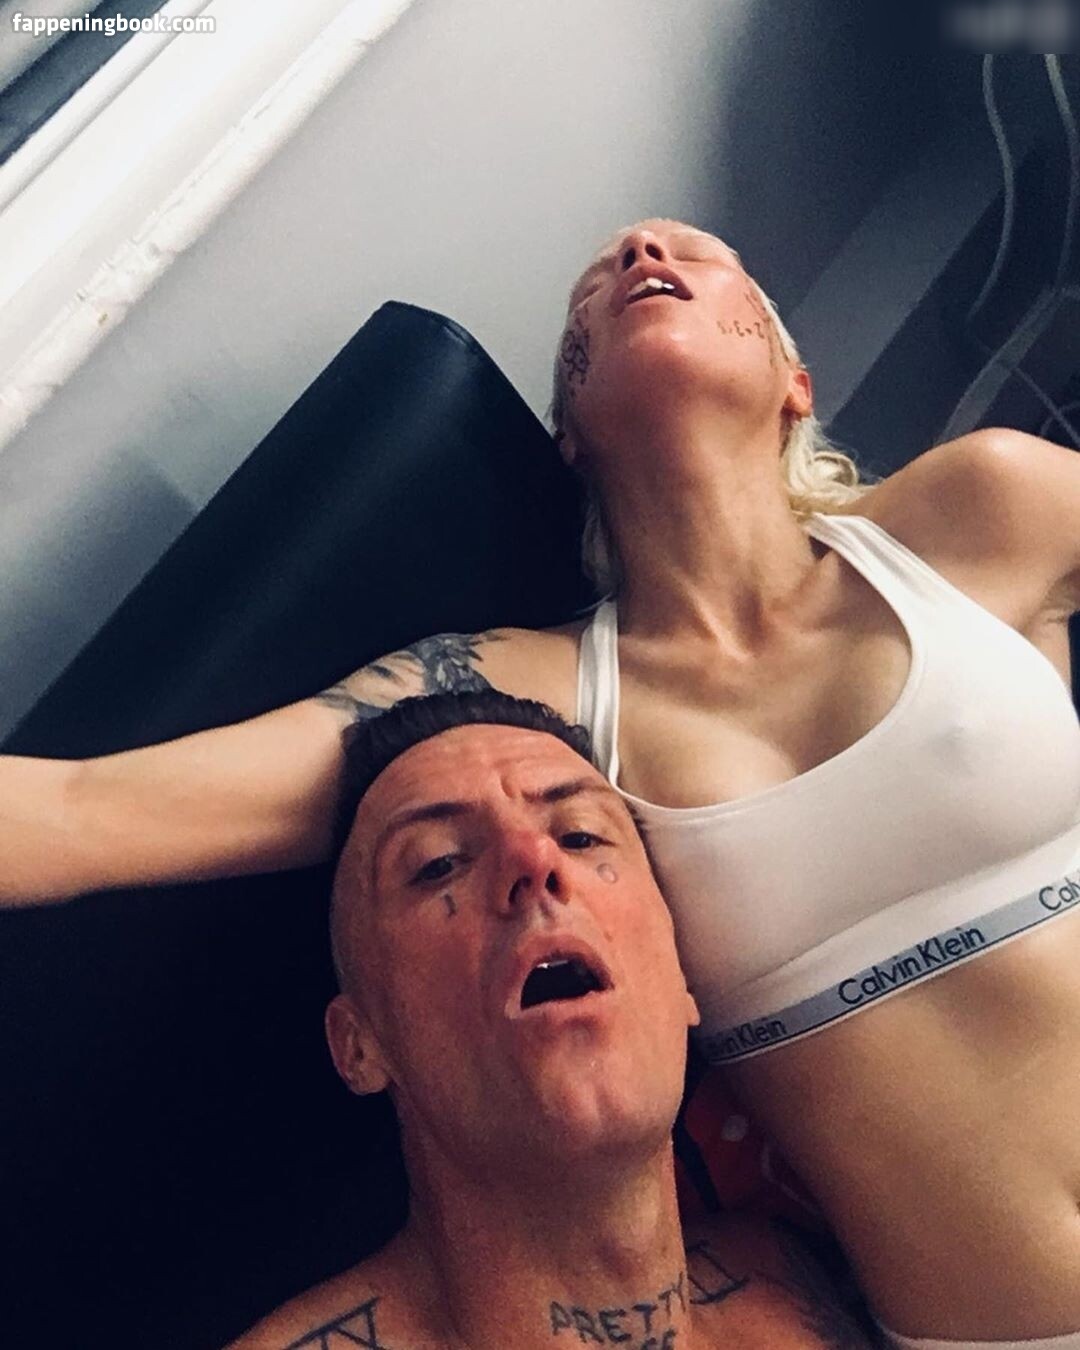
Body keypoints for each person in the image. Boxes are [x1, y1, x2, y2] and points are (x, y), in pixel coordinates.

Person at [2, 218, 1079, 1346]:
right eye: (595, 287)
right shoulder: (524, 707)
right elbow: (87, 814)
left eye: (699, 255)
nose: (642, 249)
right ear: (570, 431)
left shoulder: (982, 514)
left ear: (793, 383)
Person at [228, 690, 876, 1349]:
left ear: (684, 979)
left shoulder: (816, 1270)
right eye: (438, 864)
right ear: (359, 1044)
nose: (535, 858)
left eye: (580, 836)